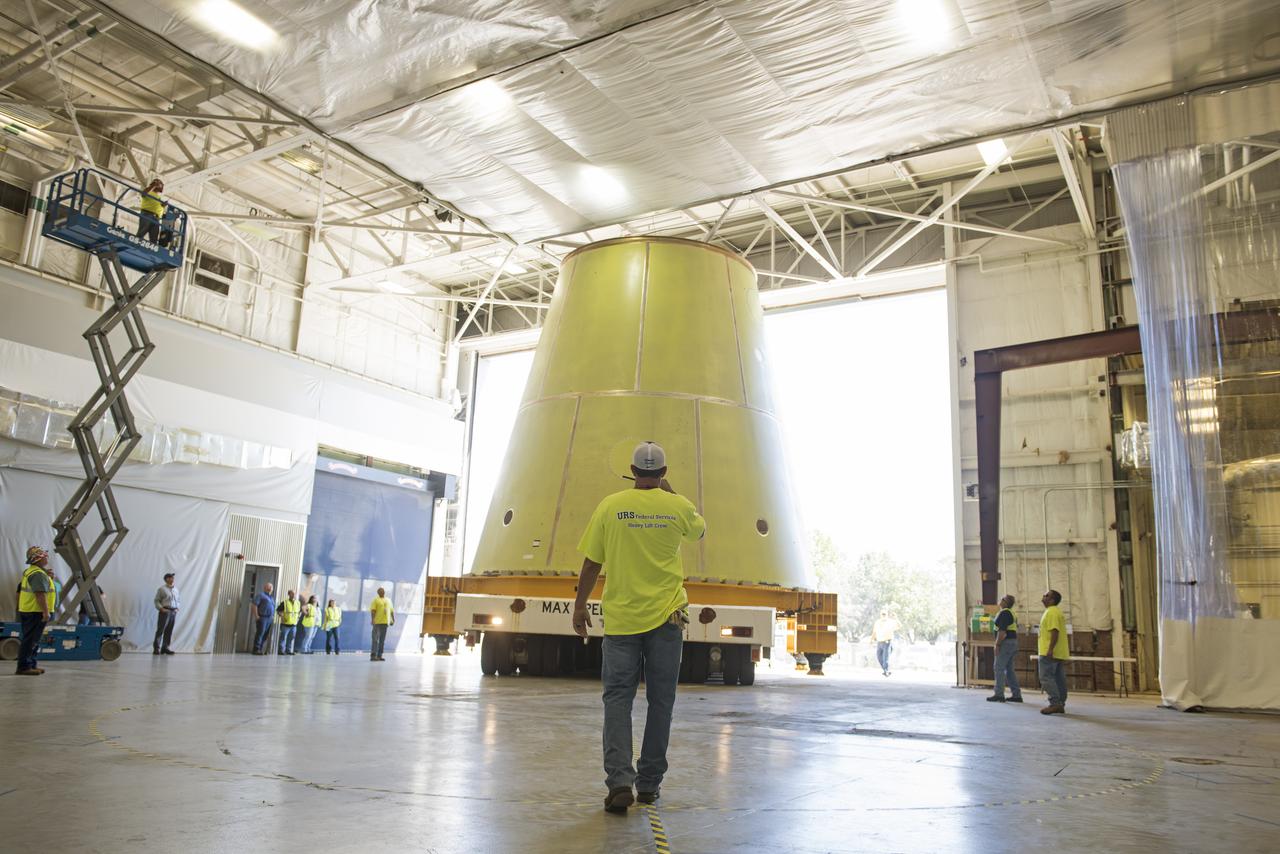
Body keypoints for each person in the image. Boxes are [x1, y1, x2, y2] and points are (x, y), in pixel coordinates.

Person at [572, 441, 706, 814]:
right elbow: (699, 532)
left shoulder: (610, 506)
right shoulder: (677, 507)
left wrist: (580, 606)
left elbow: (590, 564)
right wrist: (671, 494)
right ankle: (648, 785)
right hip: (666, 620)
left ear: (631, 471)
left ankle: (619, 783)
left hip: (622, 620)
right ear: (663, 474)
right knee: (661, 701)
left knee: (617, 701)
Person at [15, 547, 53, 676]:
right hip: (35, 611)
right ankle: (24, 667)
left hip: (29, 610)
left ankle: (31, 664)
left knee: (33, 639)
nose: (47, 558)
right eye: (44, 556)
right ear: (38, 558)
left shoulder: (33, 571)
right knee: (31, 640)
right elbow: (40, 594)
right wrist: (46, 612)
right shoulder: (38, 574)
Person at [1038, 589, 1070, 715]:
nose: (1043, 597)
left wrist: (1050, 649)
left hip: (1049, 652)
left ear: (1052, 600)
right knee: (1058, 678)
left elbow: (1054, 632)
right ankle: (1060, 703)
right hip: (1058, 652)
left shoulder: (1051, 613)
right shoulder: (1055, 612)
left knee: (1045, 677)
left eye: (1046, 595)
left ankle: (1055, 703)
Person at [987, 595, 1023, 703]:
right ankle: (1016, 695)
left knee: (998, 668)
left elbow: (1002, 631)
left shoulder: (1004, 613)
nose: (1000, 600)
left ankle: (999, 694)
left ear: (1005, 602)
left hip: (1005, 643)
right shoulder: (1011, 613)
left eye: (1002, 599)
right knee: (1009, 670)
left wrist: (997, 645)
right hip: (1012, 643)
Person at [153, 573, 180, 655]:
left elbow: (178, 600)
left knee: (169, 630)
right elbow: (156, 600)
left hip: (173, 612)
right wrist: (161, 608)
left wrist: (177, 608)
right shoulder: (162, 589)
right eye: (170, 577)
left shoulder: (176, 589)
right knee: (161, 630)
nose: (172, 579)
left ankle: (165, 647)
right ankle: (156, 648)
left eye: (173, 577)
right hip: (165, 611)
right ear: (166, 579)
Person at [136, 178, 165, 244]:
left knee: (154, 239)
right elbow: (143, 194)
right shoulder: (149, 191)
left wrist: (163, 206)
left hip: (156, 218)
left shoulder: (158, 197)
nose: (159, 185)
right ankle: (136, 244)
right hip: (147, 214)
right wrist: (153, 185)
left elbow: (156, 206)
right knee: (141, 233)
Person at [872, 608, 900, 677]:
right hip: (879, 642)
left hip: (887, 642)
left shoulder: (891, 622)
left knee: (885, 658)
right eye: (882, 614)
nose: (883, 615)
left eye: (885, 614)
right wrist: (871, 640)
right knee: (879, 657)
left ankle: (886, 670)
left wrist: (896, 618)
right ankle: (885, 670)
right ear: (880, 615)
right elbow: (874, 632)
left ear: (887, 615)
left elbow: (899, 626)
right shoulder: (877, 622)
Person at [369, 587, 394, 661]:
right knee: (375, 639)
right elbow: (373, 610)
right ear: (378, 593)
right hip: (377, 623)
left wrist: (393, 619)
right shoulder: (375, 600)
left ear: (384, 592)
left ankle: (379, 655)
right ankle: (373, 656)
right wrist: (373, 619)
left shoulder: (388, 600)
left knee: (382, 640)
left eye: (382, 591)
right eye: (379, 591)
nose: (381, 592)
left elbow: (391, 611)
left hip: (385, 623)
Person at [252, 583, 275, 655]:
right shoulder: (261, 595)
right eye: (269, 586)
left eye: (271, 587)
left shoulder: (271, 598)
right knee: (260, 633)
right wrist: (256, 616)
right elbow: (254, 605)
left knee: (265, 635)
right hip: (262, 617)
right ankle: (256, 649)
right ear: (265, 587)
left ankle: (260, 649)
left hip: (269, 618)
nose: (270, 588)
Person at [277, 590, 300, 655]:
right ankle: (281, 651)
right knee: (283, 638)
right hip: (285, 624)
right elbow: (278, 611)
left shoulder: (298, 603)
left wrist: (297, 619)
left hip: (294, 624)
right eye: (292, 594)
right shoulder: (284, 602)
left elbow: (298, 612)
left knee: (291, 638)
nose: (293, 595)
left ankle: (288, 650)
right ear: (289, 594)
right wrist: (282, 617)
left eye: (294, 594)